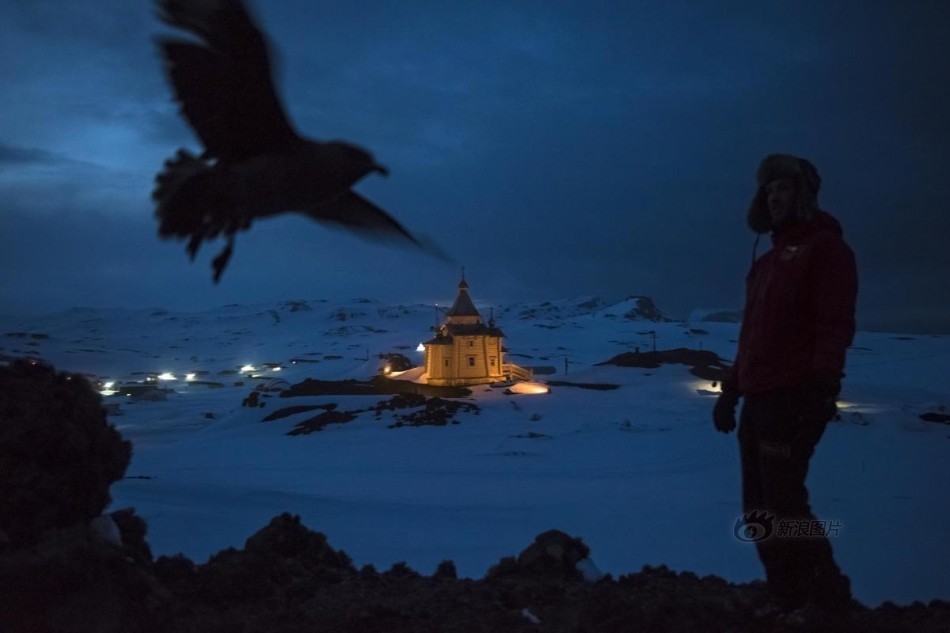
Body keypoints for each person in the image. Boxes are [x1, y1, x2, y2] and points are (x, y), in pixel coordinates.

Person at [713, 154, 858, 614]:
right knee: (757, 508)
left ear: (804, 194)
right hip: (758, 400)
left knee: (785, 505)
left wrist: (822, 388)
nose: (774, 198)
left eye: (784, 189)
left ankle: (825, 598)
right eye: (768, 191)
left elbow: (833, 324)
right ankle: (786, 593)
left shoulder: (825, 249)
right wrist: (732, 391)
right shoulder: (767, 263)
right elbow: (752, 334)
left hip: (793, 396)